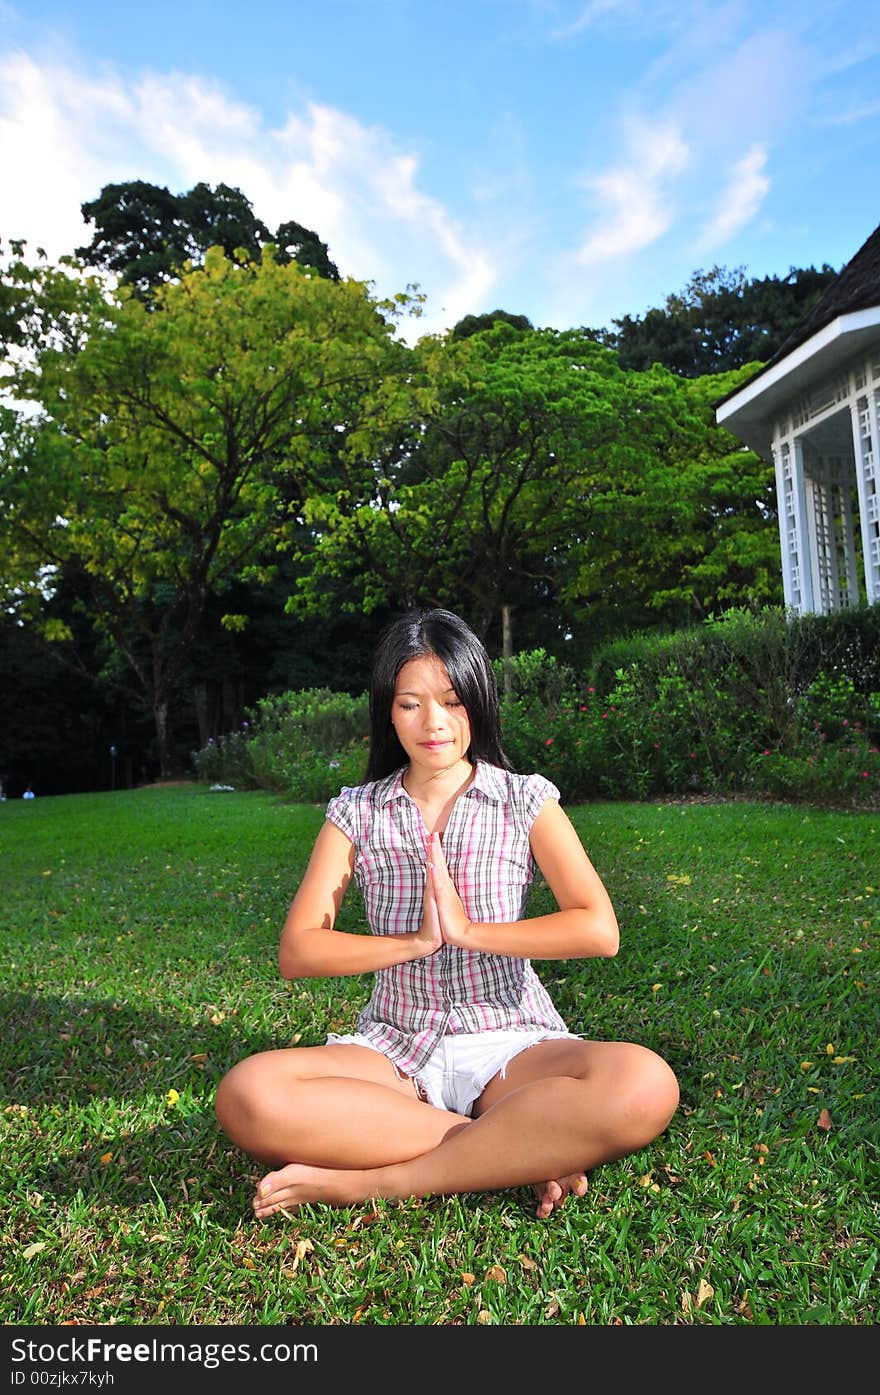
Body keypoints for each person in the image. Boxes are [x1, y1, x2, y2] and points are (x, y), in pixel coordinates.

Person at [215, 608, 679, 1219]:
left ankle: (377, 1183)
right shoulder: (356, 812)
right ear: (388, 711)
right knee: (249, 1095)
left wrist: (468, 933)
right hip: (395, 1048)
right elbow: (299, 949)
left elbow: (599, 927)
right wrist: (415, 942)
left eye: (452, 701)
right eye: (411, 704)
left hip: (512, 1042)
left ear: (477, 702)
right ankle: (515, 1147)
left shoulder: (524, 799)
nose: (433, 723)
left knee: (645, 1083)